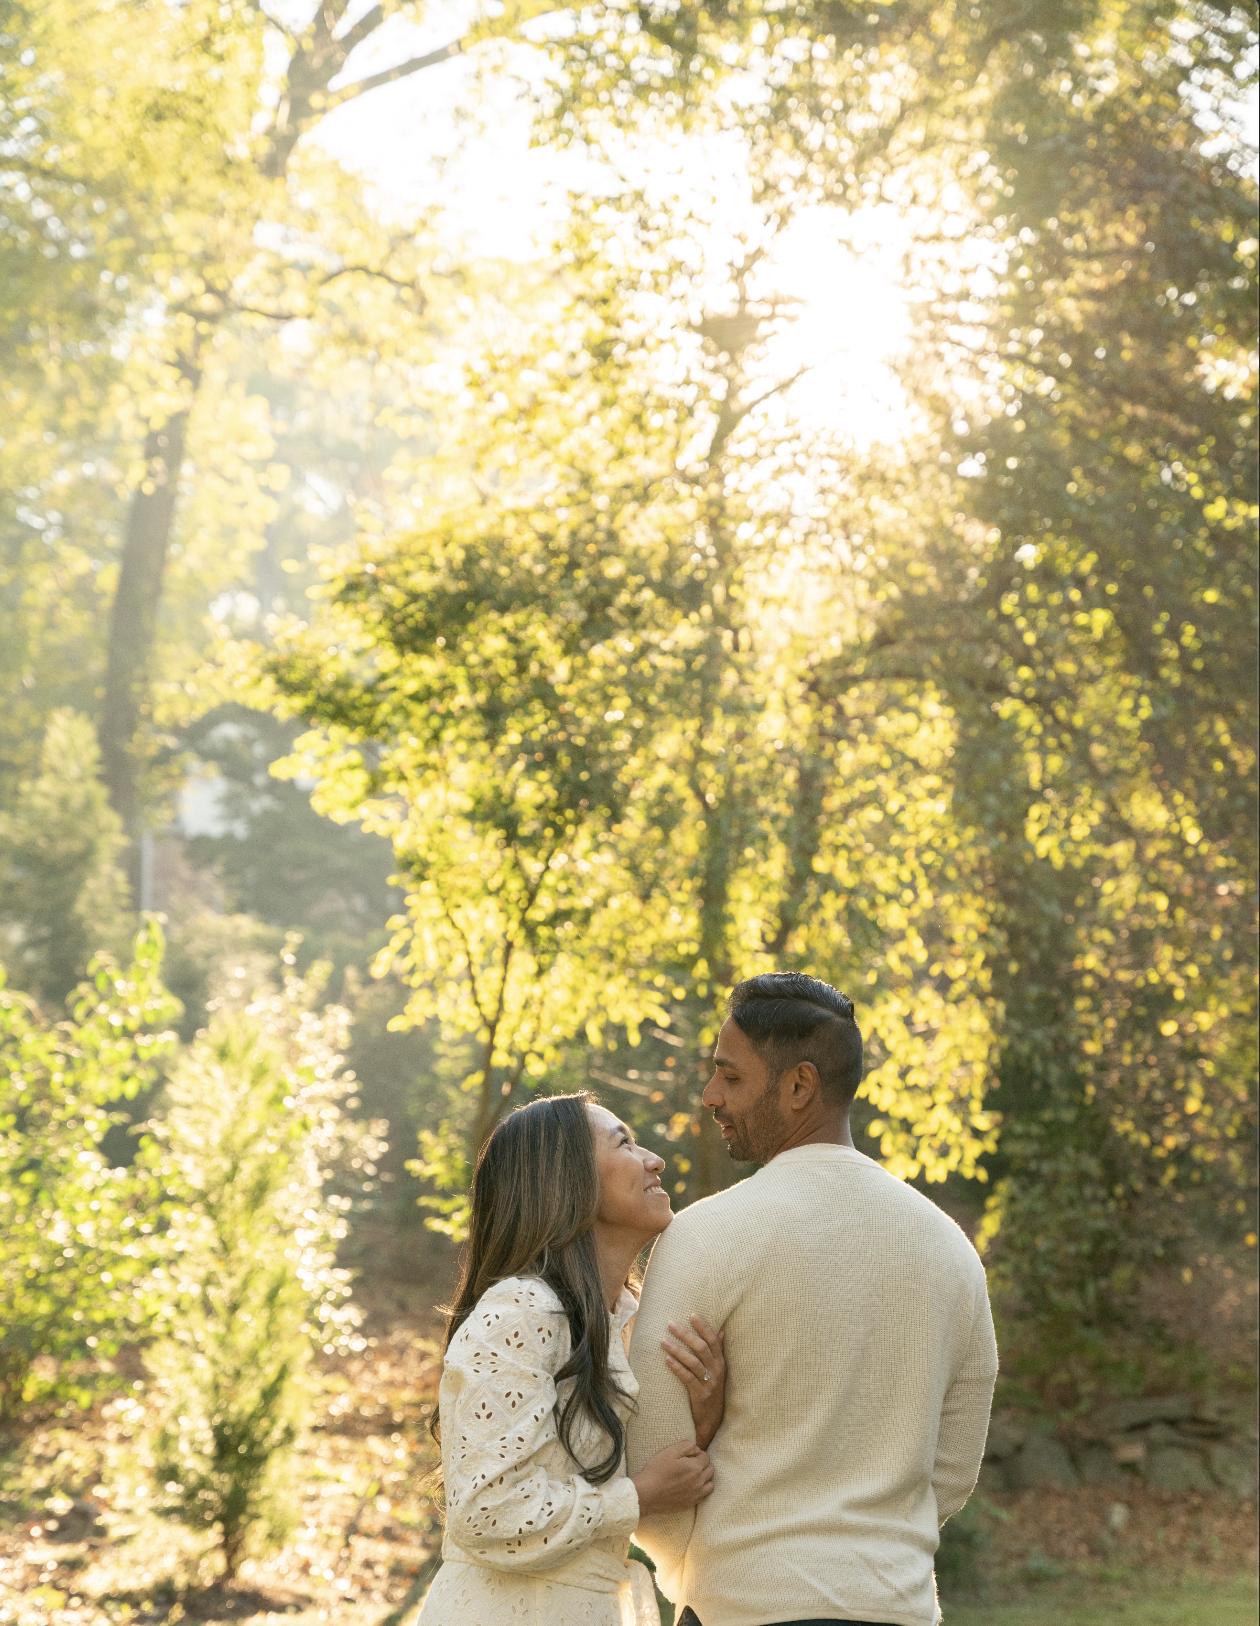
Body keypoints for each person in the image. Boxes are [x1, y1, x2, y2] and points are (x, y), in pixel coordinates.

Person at [627, 972, 998, 1626]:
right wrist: (876, 1549)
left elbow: (655, 1455)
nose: (711, 1096)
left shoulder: (705, 1235)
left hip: (739, 1605)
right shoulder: (950, 1248)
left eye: (731, 1078)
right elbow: (954, 1470)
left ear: (800, 1086)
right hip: (897, 1604)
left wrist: (698, 1567)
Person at [417, 1091, 727, 1626]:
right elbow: (485, 1510)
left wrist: (705, 1419)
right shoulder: (520, 1312)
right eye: (625, 1143)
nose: (654, 1159)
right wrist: (638, 1497)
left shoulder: (628, 1321)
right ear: (568, 1180)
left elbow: (653, 1497)